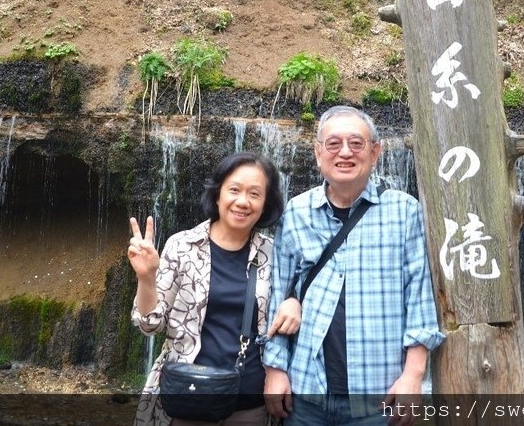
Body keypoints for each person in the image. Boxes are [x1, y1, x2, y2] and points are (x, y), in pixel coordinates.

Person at [263, 106, 444, 426]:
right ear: (319, 153)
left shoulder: (404, 211)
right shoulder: (297, 212)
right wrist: (275, 371)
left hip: (378, 397)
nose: (344, 152)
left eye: (356, 144)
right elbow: (280, 294)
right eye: (333, 144)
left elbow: (419, 299)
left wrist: (413, 376)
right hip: (306, 394)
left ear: (375, 152)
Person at [129, 152, 301, 426]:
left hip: (250, 405)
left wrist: (295, 302)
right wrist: (147, 277)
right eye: (234, 190)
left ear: (266, 202)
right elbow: (150, 325)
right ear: (218, 194)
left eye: (255, 194)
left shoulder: (275, 253)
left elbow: (295, 301)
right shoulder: (182, 246)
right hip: (187, 397)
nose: (243, 201)